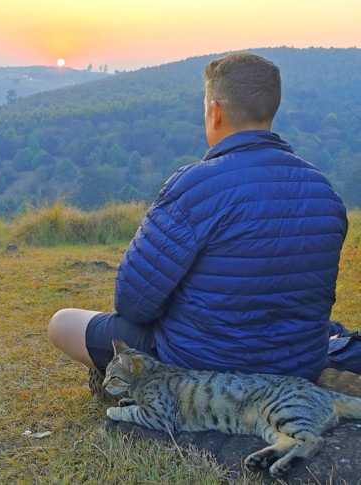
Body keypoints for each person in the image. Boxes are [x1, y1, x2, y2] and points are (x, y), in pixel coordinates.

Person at [48, 52, 351, 397]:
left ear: (215, 111)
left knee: (62, 323)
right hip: (298, 366)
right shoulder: (323, 190)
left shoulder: (194, 185)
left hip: (199, 367)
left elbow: (132, 303)